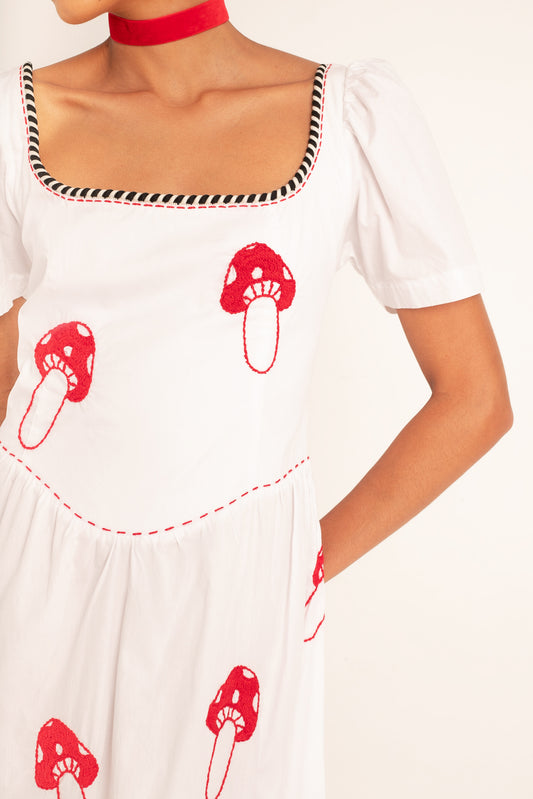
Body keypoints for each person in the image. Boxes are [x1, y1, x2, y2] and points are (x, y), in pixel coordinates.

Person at [0, 1, 513, 797]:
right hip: (31, 575)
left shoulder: (344, 119)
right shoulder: (17, 117)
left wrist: (299, 564)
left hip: (235, 605)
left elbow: (475, 397)